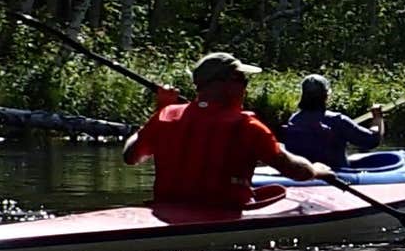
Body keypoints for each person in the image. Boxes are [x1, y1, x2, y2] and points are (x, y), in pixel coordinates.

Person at [127, 52, 321, 211]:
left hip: (167, 209)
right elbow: (298, 172)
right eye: (243, 80)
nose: (245, 88)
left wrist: (160, 110)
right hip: (223, 213)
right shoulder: (248, 126)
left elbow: (131, 155)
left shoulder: (166, 115)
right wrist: (316, 170)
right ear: (227, 83)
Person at [279, 73, 385, 169]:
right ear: (326, 96)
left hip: (302, 173)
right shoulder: (337, 120)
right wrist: (377, 117)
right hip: (336, 174)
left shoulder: (294, 119)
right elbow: (373, 140)